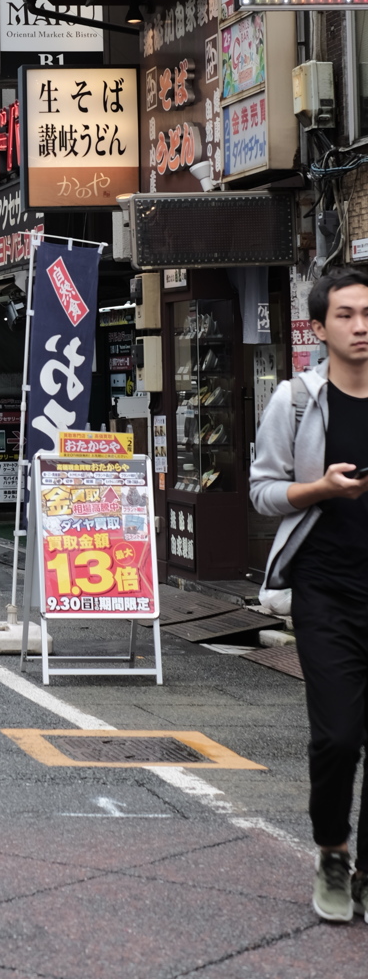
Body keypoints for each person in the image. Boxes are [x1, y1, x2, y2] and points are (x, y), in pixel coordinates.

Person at [251, 264, 368, 923]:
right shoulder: (295, 401)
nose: (361, 327)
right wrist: (321, 489)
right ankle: (332, 851)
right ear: (319, 328)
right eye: (346, 315)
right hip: (325, 590)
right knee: (337, 738)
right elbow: (263, 492)